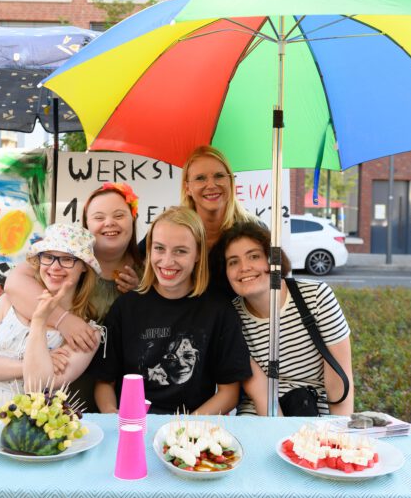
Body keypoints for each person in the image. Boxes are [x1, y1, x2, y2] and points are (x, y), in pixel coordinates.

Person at [91, 206, 252, 415]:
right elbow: (104, 382)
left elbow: (228, 392)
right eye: (159, 248)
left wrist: (186, 429)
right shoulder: (125, 307)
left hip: (191, 431)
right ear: (149, 250)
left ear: (197, 254)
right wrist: (114, 415)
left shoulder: (219, 310)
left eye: (181, 251)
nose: (167, 261)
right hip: (133, 424)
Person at [0, 223, 102, 408]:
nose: (55, 267)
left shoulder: (87, 334)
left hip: (25, 422)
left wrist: (40, 321)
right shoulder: (9, 302)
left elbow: (38, 386)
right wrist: (33, 364)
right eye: (48, 257)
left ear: (84, 266)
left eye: (67, 259)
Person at [221, 221, 354, 416]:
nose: (244, 267)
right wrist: (278, 435)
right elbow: (260, 391)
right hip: (260, 414)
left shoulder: (316, 296)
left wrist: (338, 437)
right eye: (233, 261)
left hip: (314, 412)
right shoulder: (231, 316)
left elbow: (339, 383)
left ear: (273, 259)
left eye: (254, 256)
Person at [5, 183, 143, 352]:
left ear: (133, 219)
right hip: (61, 367)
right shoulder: (65, 254)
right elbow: (14, 282)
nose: (109, 223)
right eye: (99, 218)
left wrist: (140, 296)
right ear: (87, 225)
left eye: (119, 215)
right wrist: (63, 320)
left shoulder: (149, 267)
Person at [179, 147, 259, 296]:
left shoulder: (255, 230)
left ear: (231, 181)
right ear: (187, 187)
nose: (211, 185)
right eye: (200, 178)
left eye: (219, 176)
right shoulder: (174, 230)